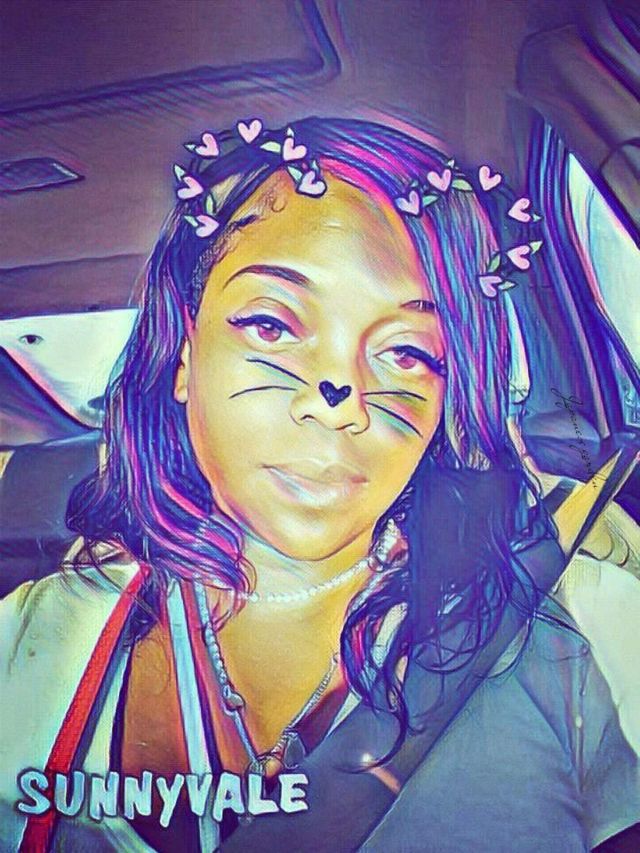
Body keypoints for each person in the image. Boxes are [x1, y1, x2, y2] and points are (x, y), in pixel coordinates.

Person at [0, 116, 639, 852]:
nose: (340, 402)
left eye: (407, 352)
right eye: (272, 325)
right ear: (183, 356)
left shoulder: (581, 620)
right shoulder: (28, 638)